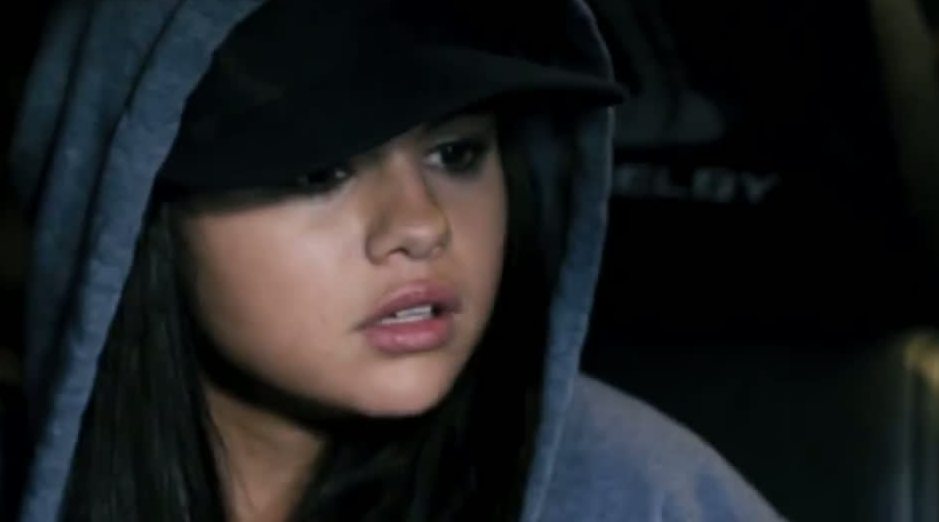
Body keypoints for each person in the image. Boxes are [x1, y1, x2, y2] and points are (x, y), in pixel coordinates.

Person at [3, 0, 782, 520]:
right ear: (134, 220)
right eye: (319, 171)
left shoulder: (642, 493)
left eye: (455, 154)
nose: (420, 226)